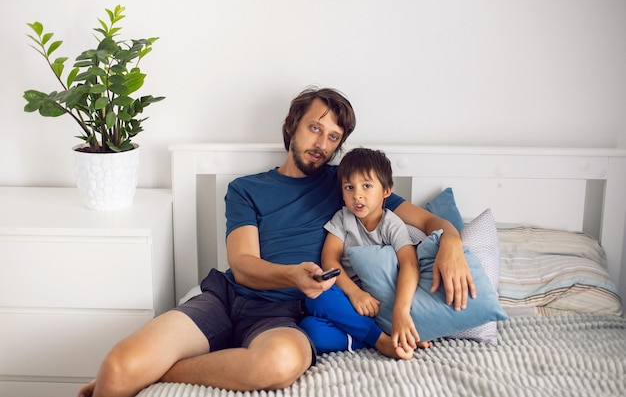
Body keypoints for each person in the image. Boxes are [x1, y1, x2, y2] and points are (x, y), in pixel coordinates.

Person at [77, 86, 474, 397]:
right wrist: (291, 274)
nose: (321, 143)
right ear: (292, 125)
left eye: (333, 137)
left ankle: (160, 374)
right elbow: (244, 263)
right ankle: (143, 372)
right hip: (226, 299)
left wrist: (452, 243)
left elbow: (426, 221)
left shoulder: (347, 187)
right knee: (118, 368)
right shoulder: (246, 189)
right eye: (315, 128)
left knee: (281, 363)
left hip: (284, 315)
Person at [300, 147, 431, 359]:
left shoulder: (392, 225)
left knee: (315, 325)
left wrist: (400, 311)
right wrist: (355, 293)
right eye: (349, 187)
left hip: (382, 303)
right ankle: (380, 340)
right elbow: (329, 259)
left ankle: (381, 333)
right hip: (349, 298)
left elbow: (409, 264)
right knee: (311, 318)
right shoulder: (342, 219)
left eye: (367, 186)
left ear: (386, 190)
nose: (357, 195)